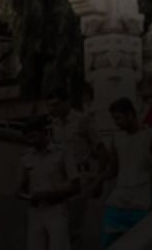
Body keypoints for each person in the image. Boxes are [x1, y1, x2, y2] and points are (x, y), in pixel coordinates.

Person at [101, 98, 152, 247]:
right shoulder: (117, 138)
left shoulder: (151, 135)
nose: (116, 123)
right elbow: (112, 170)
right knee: (109, 243)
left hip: (140, 203)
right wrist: (96, 181)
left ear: (130, 114)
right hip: (117, 202)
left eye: (118, 118)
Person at [48, 89, 102, 249]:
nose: (53, 109)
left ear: (67, 102)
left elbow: (100, 149)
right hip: (62, 179)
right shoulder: (53, 125)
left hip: (80, 176)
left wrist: (98, 179)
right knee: (60, 227)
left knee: (74, 227)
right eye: (51, 106)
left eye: (56, 105)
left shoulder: (82, 120)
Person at [18, 115, 79, 249]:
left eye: (33, 136)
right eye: (28, 137)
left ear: (44, 133)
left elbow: (75, 186)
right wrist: (27, 196)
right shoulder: (26, 158)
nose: (31, 140)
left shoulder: (62, 153)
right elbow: (20, 188)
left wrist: (50, 195)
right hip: (35, 212)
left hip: (56, 210)